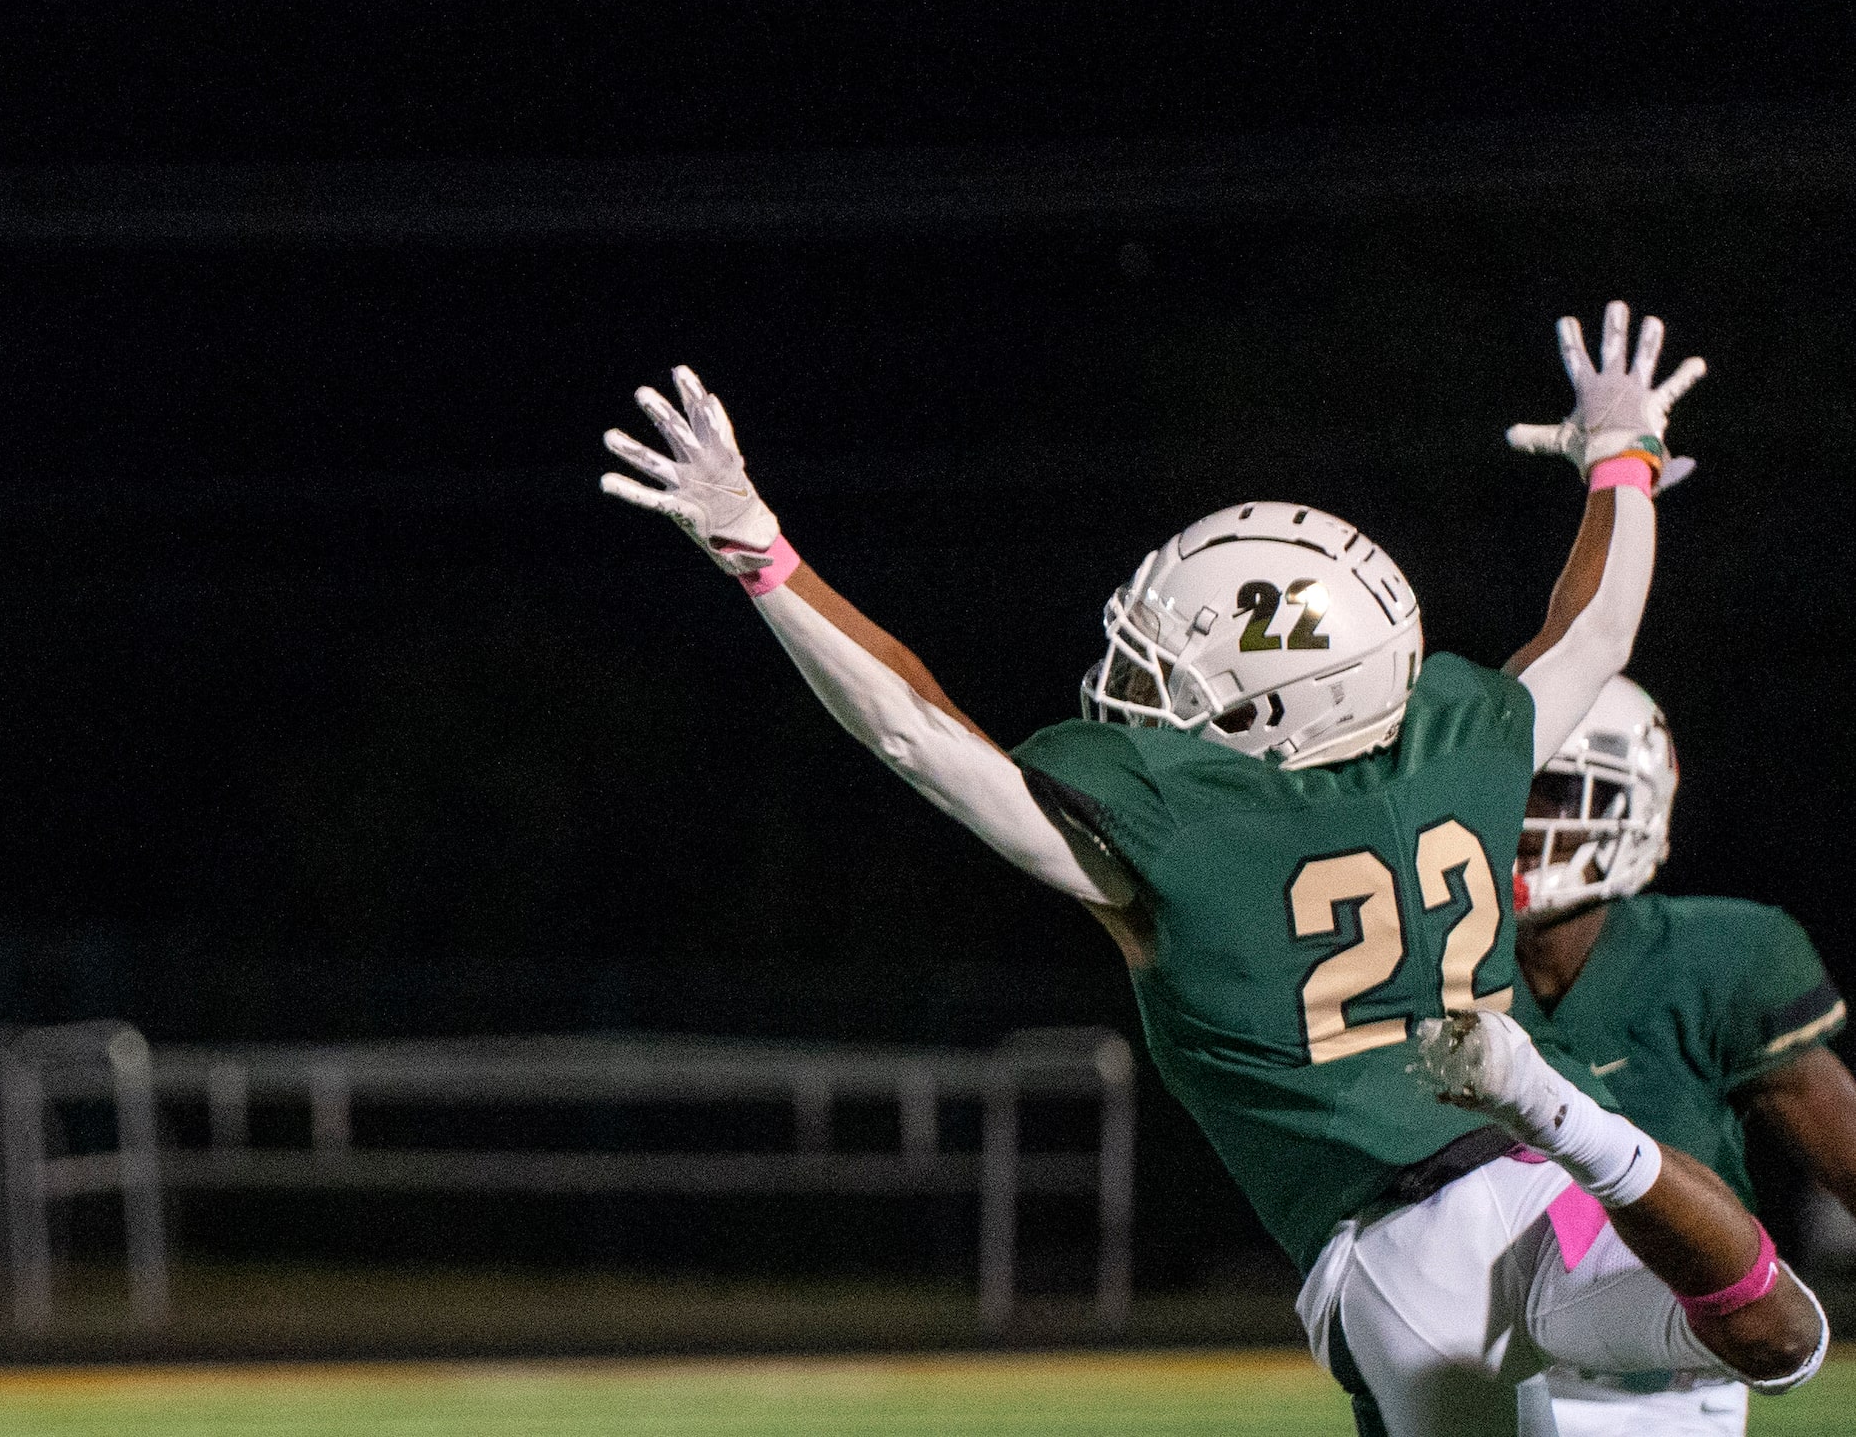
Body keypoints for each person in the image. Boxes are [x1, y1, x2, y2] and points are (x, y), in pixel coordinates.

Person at [599, 304, 1824, 1436]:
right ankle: (1565, 1112)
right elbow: (1597, 624)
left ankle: (1562, 1118)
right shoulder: (1465, 747)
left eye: (1180, 682)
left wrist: (762, 554)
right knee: (1780, 1338)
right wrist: (1623, 458)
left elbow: (916, 731)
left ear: (1280, 711)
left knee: (1756, 1345)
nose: (1137, 698)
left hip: (1390, 1262)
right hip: (1537, 1177)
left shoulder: (1174, 831)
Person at [1514, 677, 1856, 1434]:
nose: (1523, 817)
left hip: (1664, 1389)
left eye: (1557, 793)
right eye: (1507, 790)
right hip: (1464, 1366)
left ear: (1632, 806)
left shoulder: (1724, 957)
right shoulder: (1417, 968)